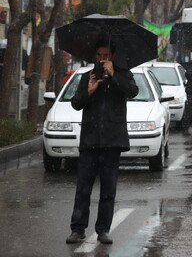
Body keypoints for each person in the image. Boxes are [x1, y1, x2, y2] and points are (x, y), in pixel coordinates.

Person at [66, 43, 139, 245]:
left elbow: (132, 92)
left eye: (106, 55)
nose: (102, 58)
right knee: (83, 188)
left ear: (113, 56)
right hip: (90, 140)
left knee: (108, 189)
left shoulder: (123, 75)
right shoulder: (87, 76)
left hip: (112, 141)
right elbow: (75, 103)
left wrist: (114, 74)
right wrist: (88, 91)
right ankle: (78, 228)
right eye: (99, 55)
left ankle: (103, 230)